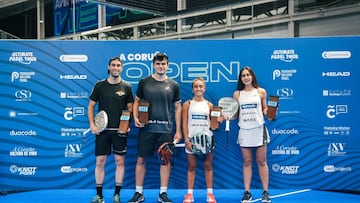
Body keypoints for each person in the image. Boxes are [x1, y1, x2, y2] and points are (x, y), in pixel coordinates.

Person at [128, 53, 182, 203]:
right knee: (140, 160)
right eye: (158, 64)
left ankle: (163, 194)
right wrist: (136, 117)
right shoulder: (144, 82)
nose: (161, 66)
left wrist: (178, 131)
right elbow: (136, 101)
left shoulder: (173, 85)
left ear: (168, 66)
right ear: (153, 65)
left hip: (165, 129)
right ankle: (139, 193)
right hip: (147, 129)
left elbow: (178, 108)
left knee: (165, 161)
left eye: (163, 64)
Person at [87, 56, 134, 203]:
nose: (116, 68)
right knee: (100, 161)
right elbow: (91, 106)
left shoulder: (126, 87)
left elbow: (130, 109)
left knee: (120, 161)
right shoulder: (100, 85)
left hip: (119, 132)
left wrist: (126, 126)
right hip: (103, 131)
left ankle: (117, 195)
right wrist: (93, 125)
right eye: (113, 65)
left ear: (121, 68)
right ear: (109, 67)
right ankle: (99, 196)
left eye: (118, 65)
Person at [182, 77, 223, 203]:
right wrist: (187, 140)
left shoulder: (209, 105)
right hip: (192, 141)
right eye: (196, 86)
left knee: (208, 166)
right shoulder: (187, 104)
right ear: (192, 89)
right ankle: (189, 194)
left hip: (208, 140)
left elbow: (213, 124)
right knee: (191, 166)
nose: (198, 88)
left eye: (201, 86)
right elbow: (184, 123)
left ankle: (210, 194)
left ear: (204, 89)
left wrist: (219, 120)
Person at [233, 66, 271, 203]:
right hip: (244, 130)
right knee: (247, 162)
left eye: (248, 74)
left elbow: (265, 108)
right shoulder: (237, 94)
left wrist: (270, 112)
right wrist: (225, 116)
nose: (246, 77)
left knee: (261, 161)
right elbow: (236, 114)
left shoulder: (261, 92)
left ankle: (265, 192)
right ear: (241, 79)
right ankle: (247, 193)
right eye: (243, 75)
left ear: (252, 76)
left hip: (259, 130)